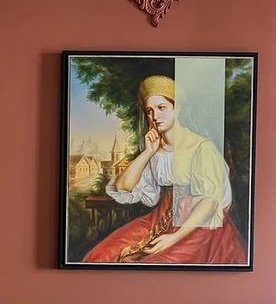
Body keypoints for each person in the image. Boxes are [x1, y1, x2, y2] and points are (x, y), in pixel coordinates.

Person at [83, 74, 247, 264]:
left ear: (176, 109)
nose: (155, 117)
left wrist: (173, 238)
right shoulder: (155, 150)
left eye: (162, 108)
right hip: (159, 221)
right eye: (149, 111)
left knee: (152, 265)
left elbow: (210, 202)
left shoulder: (201, 148)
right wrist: (148, 152)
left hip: (199, 226)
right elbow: (123, 187)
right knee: (101, 255)